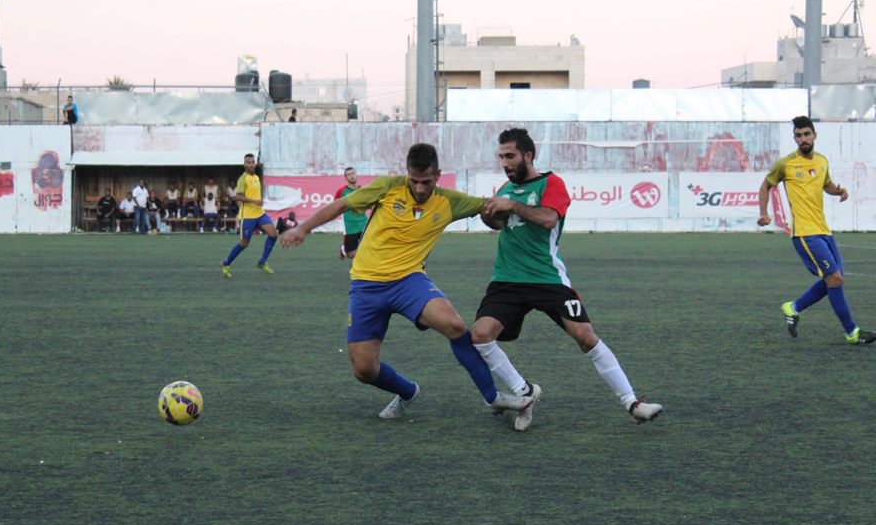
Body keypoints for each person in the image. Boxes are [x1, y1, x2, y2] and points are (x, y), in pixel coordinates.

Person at [280, 143, 536, 420]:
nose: (420, 188)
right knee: (364, 370)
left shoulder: (449, 201)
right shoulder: (388, 187)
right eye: (414, 181)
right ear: (407, 174)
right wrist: (303, 228)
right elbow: (341, 204)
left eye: (427, 182)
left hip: (408, 281)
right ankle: (407, 391)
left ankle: (492, 397)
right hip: (366, 285)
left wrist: (514, 207)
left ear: (438, 175)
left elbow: (489, 208)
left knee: (455, 325)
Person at [471, 128, 662, 431]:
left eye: (510, 156)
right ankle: (525, 393)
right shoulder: (506, 189)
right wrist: (488, 214)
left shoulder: (551, 183)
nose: (504, 163)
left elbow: (548, 219)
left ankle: (632, 404)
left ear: (528, 155)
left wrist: (512, 205)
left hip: (548, 278)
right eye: (501, 156)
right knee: (481, 335)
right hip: (507, 279)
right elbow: (497, 223)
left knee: (585, 336)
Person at [758, 115, 876, 345]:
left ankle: (793, 307)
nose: (803, 139)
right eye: (798, 135)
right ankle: (852, 332)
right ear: (795, 138)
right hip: (804, 233)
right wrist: (763, 212)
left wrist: (838, 191)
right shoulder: (786, 164)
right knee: (835, 278)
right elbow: (766, 185)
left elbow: (826, 184)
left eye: (806, 134)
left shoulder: (822, 161)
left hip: (824, 231)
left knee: (834, 279)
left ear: (814, 135)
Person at [221, 153, 278, 275]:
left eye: (253, 162)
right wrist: (254, 201)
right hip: (247, 217)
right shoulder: (243, 179)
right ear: (244, 165)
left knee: (273, 234)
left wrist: (258, 202)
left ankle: (262, 262)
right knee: (244, 244)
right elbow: (238, 196)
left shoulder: (256, 177)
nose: (251, 164)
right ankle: (226, 263)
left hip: (260, 214)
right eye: (248, 162)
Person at [334, 166, 367, 260]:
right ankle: (343, 249)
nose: (351, 176)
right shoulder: (341, 192)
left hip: (363, 223)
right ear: (346, 178)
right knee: (351, 255)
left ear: (356, 174)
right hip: (349, 226)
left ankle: (363, 265)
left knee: (369, 248)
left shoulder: (363, 190)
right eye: (348, 175)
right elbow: (334, 206)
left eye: (353, 173)